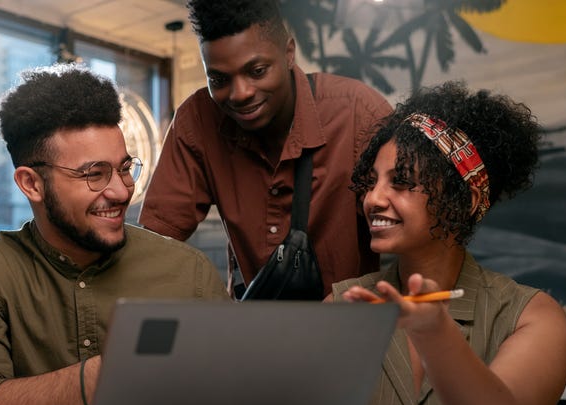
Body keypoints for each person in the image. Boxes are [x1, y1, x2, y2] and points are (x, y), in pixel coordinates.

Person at [0, 65, 229, 405]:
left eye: (123, 168)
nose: (121, 191)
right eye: (94, 174)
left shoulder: (188, 273)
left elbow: (238, 395)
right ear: (32, 184)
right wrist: (119, 367)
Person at [330, 81, 566, 405]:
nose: (372, 199)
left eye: (401, 182)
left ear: (467, 200)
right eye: (372, 182)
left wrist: (433, 331)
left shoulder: (530, 316)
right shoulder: (343, 305)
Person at [139, 0, 392, 298]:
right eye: (218, 79)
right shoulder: (197, 121)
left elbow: (419, 233)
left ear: (288, 52)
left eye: (257, 71)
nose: (240, 94)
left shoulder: (359, 114)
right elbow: (153, 249)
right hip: (254, 332)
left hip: (354, 328)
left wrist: (348, 296)